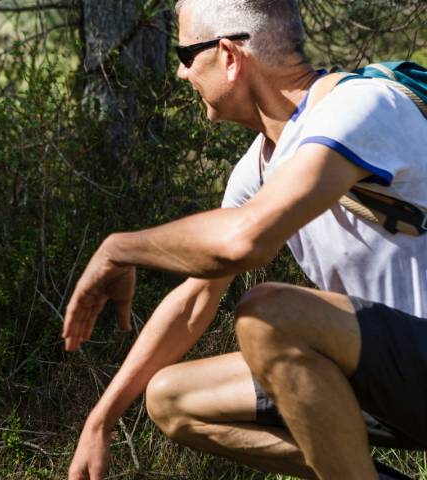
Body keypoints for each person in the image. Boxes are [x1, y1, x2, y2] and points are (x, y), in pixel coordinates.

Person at [61, 0, 427, 479]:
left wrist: (118, 249)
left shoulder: (361, 106)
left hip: (415, 363)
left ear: (229, 56)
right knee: (171, 398)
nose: (179, 73)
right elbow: (195, 300)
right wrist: (101, 420)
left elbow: (243, 241)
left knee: (267, 315)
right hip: (391, 378)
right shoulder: (259, 167)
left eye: (185, 53)